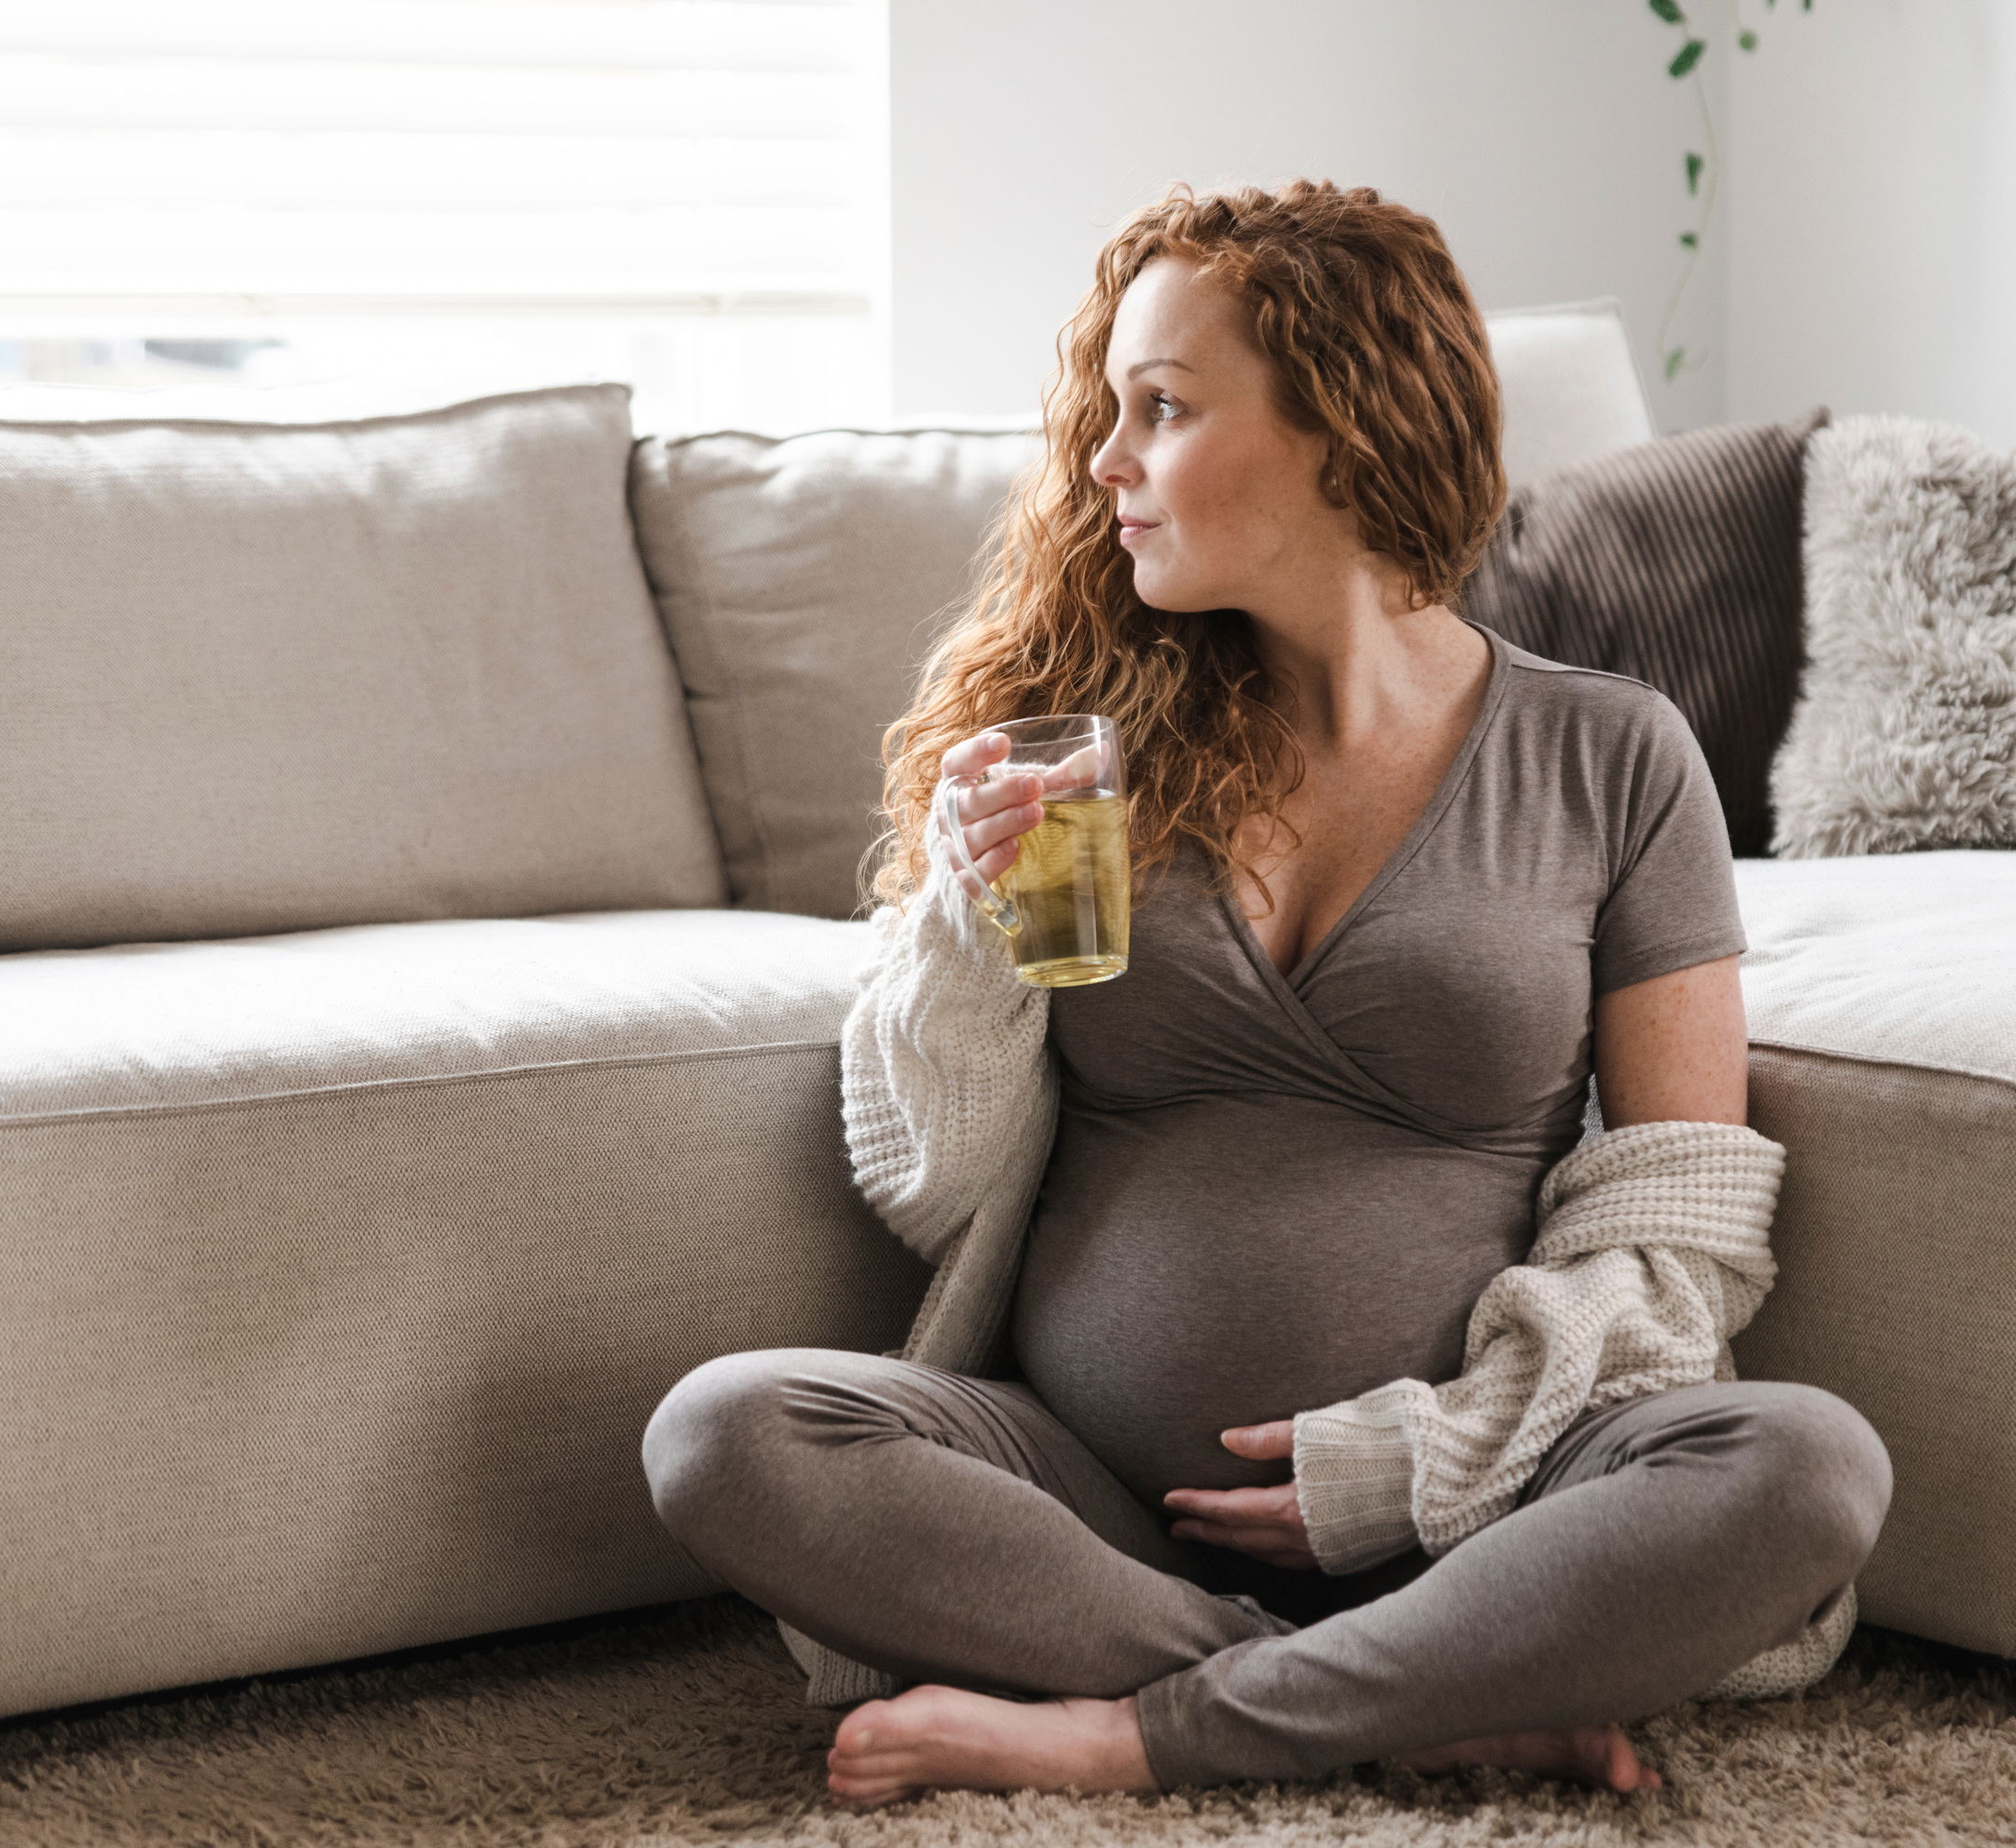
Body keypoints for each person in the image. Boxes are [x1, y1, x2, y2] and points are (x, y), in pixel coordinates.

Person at [639, 179, 1892, 1809]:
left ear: (1342, 424)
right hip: (1089, 1509)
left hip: (1482, 1503)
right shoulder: (1078, 750)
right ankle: (1413, 1698)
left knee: (1805, 1465)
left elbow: (1681, 1230)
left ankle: (1133, 1728)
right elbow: (926, 1173)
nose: (1105, 462)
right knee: (727, 1432)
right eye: (1111, 411)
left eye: (1160, 410)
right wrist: (959, 907)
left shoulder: (1608, 757)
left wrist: (1417, 1464)